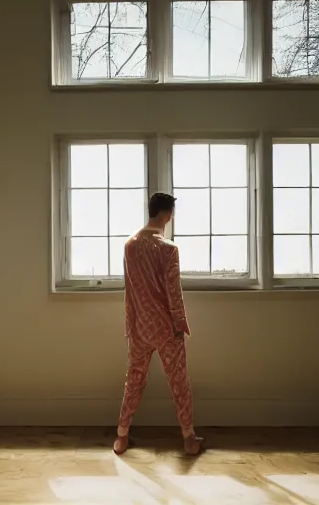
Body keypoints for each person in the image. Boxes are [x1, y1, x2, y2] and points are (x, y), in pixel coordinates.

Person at [113, 192, 203, 456]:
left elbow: (129, 291)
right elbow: (173, 292)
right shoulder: (168, 249)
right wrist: (181, 324)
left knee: (134, 381)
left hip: (140, 327)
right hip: (166, 327)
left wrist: (130, 325)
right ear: (168, 214)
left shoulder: (130, 245)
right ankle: (188, 437)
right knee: (179, 382)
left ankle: (121, 435)